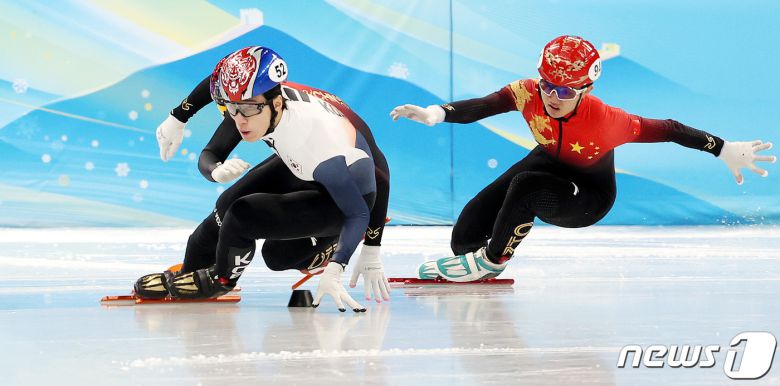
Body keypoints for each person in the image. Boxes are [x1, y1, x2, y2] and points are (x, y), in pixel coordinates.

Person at [390, 35, 776, 282]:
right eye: (548, 85)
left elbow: (670, 128)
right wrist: (436, 113)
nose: (553, 97)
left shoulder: (607, 120)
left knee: (525, 186)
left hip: (588, 196)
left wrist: (723, 148)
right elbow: (486, 105)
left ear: (585, 87)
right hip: (546, 164)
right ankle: (480, 256)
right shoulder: (526, 93)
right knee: (464, 239)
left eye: (566, 89)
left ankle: (493, 261)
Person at [134, 46, 392, 311]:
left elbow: (371, 191)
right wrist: (179, 117)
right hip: (304, 164)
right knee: (224, 207)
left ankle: (222, 279)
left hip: (347, 194)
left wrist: (367, 251)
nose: (238, 120)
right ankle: (192, 270)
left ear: (276, 104)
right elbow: (216, 101)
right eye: (230, 109)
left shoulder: (320, 142)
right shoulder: (254, 99)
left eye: (245, 110)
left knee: (263, 239)